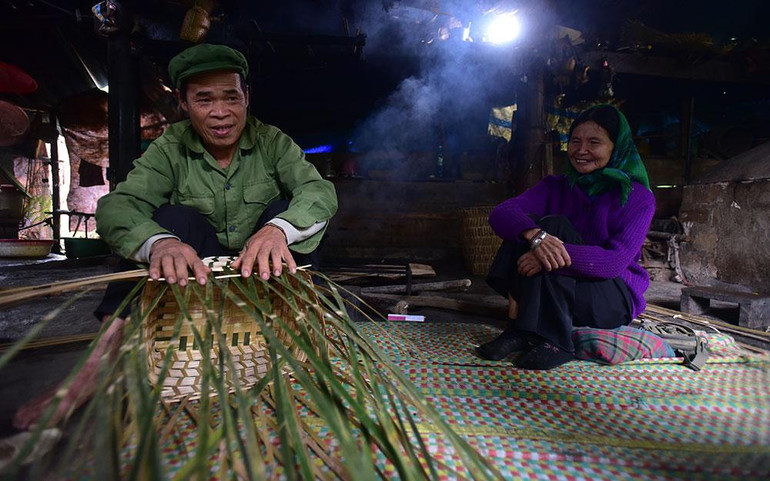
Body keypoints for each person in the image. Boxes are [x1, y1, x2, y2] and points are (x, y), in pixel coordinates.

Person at [14, 43, 338, 429]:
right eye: (204, 99)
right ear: (184, 104)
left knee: (285, 214)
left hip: (262, 277)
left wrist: (277, 230)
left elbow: (319, 193)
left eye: (231, 97)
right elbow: (118, 207)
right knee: (171, 219)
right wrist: (161, 243)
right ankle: (94, 370)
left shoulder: (271, 141)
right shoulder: (170, 147)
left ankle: (307, 344)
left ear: (246, 99)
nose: (221, 112)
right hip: (197, 276)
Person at [477, 104, 655, 370]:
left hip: (610, 296)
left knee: (555, 227)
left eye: (594, 142)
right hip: (561, 287)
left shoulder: (638, 197)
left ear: (616, 147)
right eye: (575, 141)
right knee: (526, 227)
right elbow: (502, 213)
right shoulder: (557, 186)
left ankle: (557, 341)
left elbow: (613, 262)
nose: (581, 150)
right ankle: (519, 330)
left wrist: (546, 255)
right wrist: (535, 238)